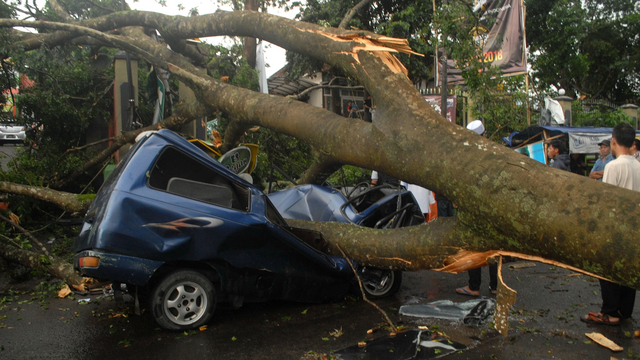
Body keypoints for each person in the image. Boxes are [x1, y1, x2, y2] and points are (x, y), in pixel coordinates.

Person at [583, 123, 640, 326]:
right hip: (635, 227)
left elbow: (607, 201)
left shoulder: (613, 166)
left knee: (606, 268)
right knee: (628, 268)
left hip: (616, 227)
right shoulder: (638, 165)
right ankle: (624, 310)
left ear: (614, 142)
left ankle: (610, 312)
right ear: (632, 143)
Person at [455, 120, 498, 297]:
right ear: (485, 135)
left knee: (473, 247)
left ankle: (474, 286)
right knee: (492, 248)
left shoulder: (468, 156)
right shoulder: (494, 154)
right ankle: (495, 286)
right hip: (491, 208)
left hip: (472, 208)